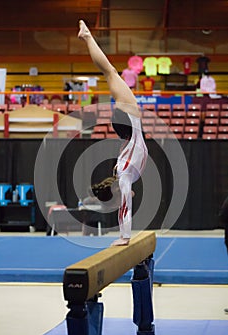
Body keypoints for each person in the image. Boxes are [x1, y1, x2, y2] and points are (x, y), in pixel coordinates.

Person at [78, 20, 148, 246]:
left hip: (129, 120)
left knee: (109, 71)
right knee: (110, 72)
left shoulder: (126, 175)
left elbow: (125, 204)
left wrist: (124, 237)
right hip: (128, 125)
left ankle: (87, 36)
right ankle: (87, 36)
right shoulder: (126, 170)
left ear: (117, 190)